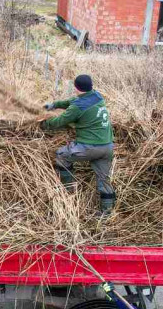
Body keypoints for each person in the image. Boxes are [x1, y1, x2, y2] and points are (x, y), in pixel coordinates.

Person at [41, 74, 116, 216]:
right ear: (90, 87)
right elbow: (73, 101)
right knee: (104, 179)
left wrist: (43, 123)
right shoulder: (97, 96)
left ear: (75, 87)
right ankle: (107, 212)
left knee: (62, 155)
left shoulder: (77, 107)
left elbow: (59, 122)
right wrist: (56, 105)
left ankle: (68, 191)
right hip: (107, 147)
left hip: (90, 147)